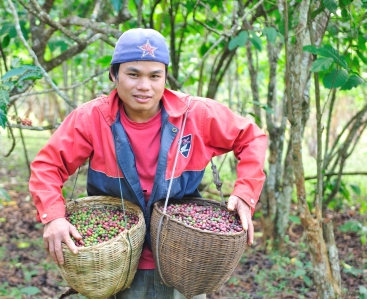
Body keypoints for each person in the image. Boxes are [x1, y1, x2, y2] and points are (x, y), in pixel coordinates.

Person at [29, 28, 267, 299]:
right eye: (133, 74)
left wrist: (245, 193)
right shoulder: (91, 118)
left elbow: (252, 138)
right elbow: (47, 165)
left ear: (165, 78)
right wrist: (54, 217)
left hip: (184, 258)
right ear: (113, 75)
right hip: (112, 262)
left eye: (155, 76)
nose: (144, 86)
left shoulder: (195, 115)